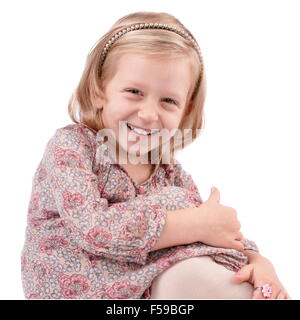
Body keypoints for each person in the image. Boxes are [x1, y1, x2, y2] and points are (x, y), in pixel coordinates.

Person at [20, 11, 291, 300]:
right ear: (99, 90)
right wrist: (197, 222)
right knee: (179, 206)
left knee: (200, 253)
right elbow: (94, 229)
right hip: (82, 290)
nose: (149, 114)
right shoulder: (73, 146)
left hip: (142, 288)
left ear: (185, 110)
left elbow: (214, 233)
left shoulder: (168, 171)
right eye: (134, 91)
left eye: (168, 100)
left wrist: (258, 261)